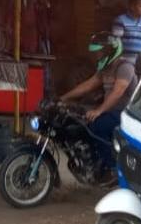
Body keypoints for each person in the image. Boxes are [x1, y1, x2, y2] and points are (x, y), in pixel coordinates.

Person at [56, 33, 135, 167]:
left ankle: (110, 166)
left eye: (100, 53)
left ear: (110, 51)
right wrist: (64, 97)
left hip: (125, 113)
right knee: (78, 118)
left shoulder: (125, 67)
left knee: (98, 126)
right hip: (110, 110)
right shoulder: (105, 69)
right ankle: (90, 158)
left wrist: (99, 111)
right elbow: (88, 85)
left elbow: (117, 92)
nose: (97, 56)